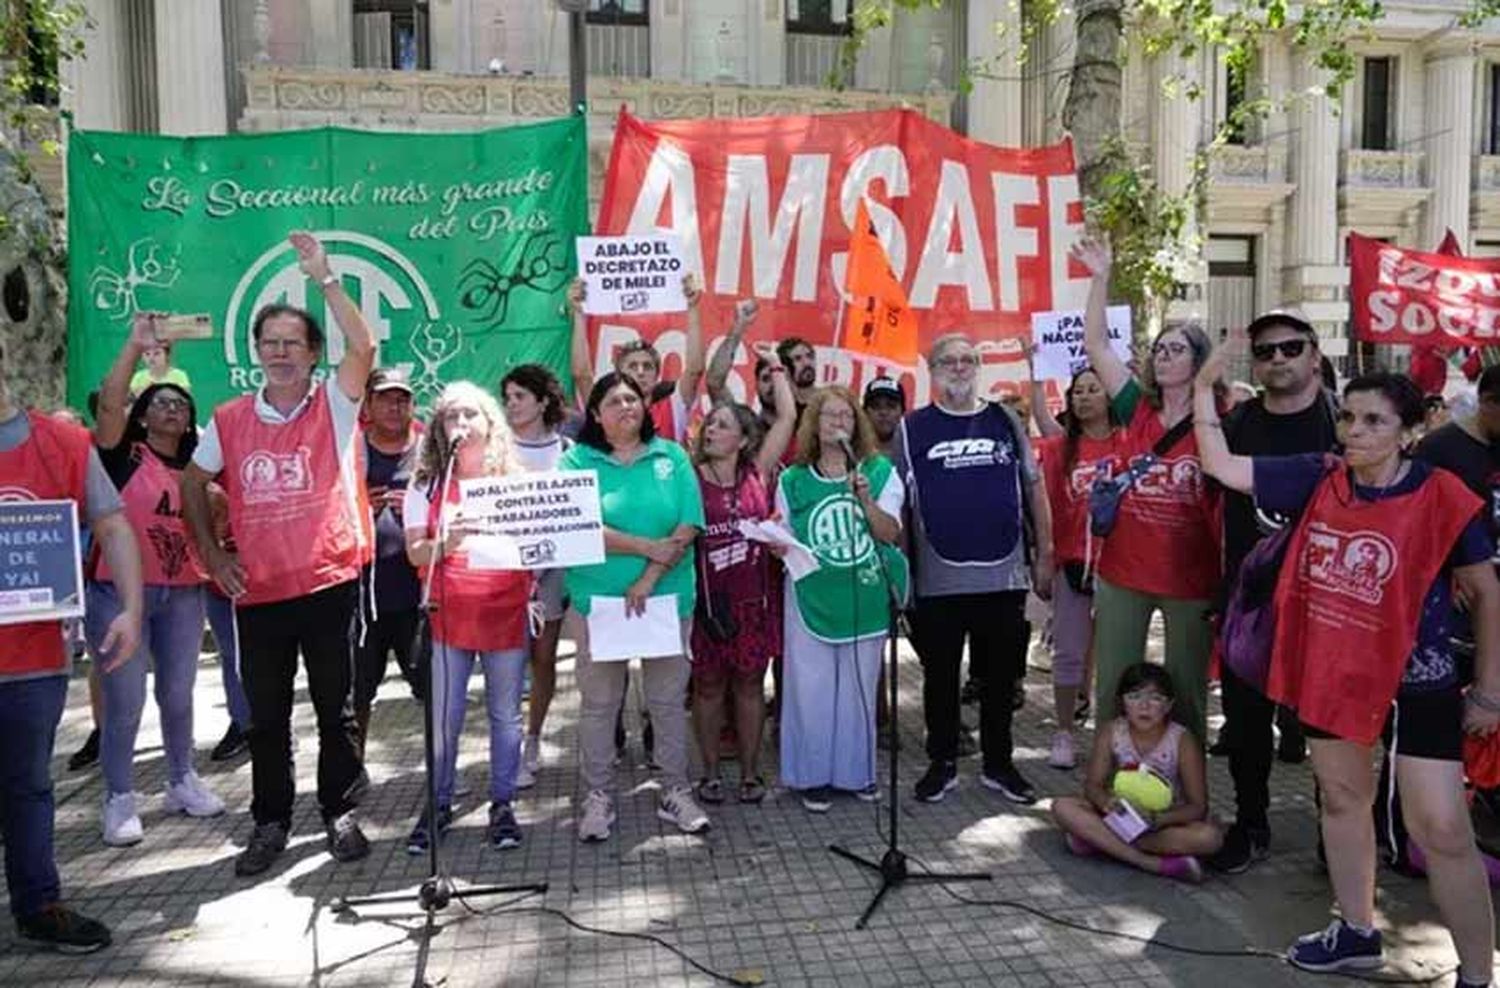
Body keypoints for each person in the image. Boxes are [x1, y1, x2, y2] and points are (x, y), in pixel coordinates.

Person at [1194, 362, 1500, 985]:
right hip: (1333, 672)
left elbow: (1487, 594)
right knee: (1341, 799)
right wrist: (1202, 391)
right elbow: (1223, 468)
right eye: (1348, 418)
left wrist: (1491, 691)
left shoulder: (1443, 495)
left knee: (1440, 827)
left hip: (1422, 679)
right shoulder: (1320, 477)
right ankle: (1356, 933)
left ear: (1409, 432)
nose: (1354, 432)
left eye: (1374, 422)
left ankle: (1475, 975)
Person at [180, 231, 377, 877]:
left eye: (293, 343)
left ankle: (339, 810)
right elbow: (191, 481)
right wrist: (213, 556)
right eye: (270, 344)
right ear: (256, 353)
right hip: (258, 592)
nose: (281, 354)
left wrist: (322, 278)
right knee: (266, 716)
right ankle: (270, 822)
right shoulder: (230, 418)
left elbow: (366, 345)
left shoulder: (337, 404)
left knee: (336, 708)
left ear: (314, 354)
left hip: (328, 583)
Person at [0, 337, 141, 951]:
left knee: (28, 785)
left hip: (32, 659)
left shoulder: (59, 443)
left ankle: (39, 905)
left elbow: (111, 523)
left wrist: (132, 609)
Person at [895, 334, 1051, 805]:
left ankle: (999, 766)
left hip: (1003, 577)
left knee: (1001, 679)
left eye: (968, 359)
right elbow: (899, 505)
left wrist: (1046, 552)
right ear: (932, 368)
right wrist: (903, 577)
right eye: (948, 360)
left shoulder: (1005, 418)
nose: (959, 367)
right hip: (938, 580)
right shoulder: (911, 427)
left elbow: (1034, 488)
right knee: (940, 678)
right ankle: (941, 763)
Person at [1207, 309, 1337, 875]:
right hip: (1252, 602)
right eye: (1265, 351)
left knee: (1327, 729)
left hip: (1330, 604)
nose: (1278, 358)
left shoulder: (1343, 420)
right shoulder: (1238, 425)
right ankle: (1251, 823)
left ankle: (1337, 835)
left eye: (1290, 347)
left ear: (1313, 354)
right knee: (1246, 723)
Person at [1077, 238, 1222, 739]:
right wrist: (1101, 276)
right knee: (1114, 686)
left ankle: (1187, 789)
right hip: (1123, 575)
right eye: (1159, 349)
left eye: (1176, 349)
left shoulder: (1218, 420)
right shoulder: (1135, 406)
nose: (1163, 356)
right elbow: (1096, 345)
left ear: (1197, 361)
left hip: (1191, 580)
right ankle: (1106, 778)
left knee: (1186, 692)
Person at [90, 314, 224, 846]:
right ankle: (119, 796)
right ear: (141, 417)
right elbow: (108, 403)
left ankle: (181, 779)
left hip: (184, 589)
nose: (171, 407)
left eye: (181, 402)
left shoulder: (198, 465)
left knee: (178, 691)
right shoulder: (121, 455)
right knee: (124, 698)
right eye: (159, 402)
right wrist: (134, 346)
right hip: (119, 593)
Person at [559, 373, 710, 842]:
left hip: (666, 599)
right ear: (597, 414)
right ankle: (599, 797)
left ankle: (675, 790)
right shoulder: (575, 461)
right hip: (598, 602)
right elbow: (579, 524)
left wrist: (648, 577)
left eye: (633, 398)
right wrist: (646, 546)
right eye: (614, 400)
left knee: (666, 703)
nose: (626, 405)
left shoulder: (673, 455)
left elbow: (688, 524)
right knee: (600, 706)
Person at [401, 382, 534, 853]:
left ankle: (502, 804)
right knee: (445, 715)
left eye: (470, 415)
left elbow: (541, 546)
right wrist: (447, 542)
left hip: (504, 611)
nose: (460, 424)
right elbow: (417, 554)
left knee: (505, 715)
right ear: (438, 428)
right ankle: (437, 803)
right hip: (448, 614)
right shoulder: (426, 485)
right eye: (450, 416)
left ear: (489, 424)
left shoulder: (516, 483)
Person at [778, 386, 908, 811]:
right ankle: (812, 776)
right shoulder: (792, 479)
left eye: (846, 416)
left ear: (858, 424)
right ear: (814, 424)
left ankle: (857, 773)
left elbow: (889, 532)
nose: (838, 423)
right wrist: (777, 544)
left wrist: (866, 499)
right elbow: (785, 533)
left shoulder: (879, 472)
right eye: (830, 416)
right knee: (810, 689)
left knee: (857, 687)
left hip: (863, 594)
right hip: (810, 593)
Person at [690, 355, 797, 805]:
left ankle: (751, 774)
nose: (710, 430)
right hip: (708, 604)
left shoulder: (758, 471)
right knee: (709, 687)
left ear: (744, 438)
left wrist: (776, 371)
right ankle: (711, 773)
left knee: (751, 686)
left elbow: (789, 416)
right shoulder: (689, 476)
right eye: (708, 425)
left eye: (721, 425)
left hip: (754, 599)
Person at [1030, 365, 1123, 769]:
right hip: (1073, 565)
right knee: (1068, 651)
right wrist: (1036, 377)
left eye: (1093, 389)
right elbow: (1041, 418)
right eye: (1077, 391)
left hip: (1123, 567)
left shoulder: (1129, 442)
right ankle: (1065, 731)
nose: (1084, 397)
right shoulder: (1061, 448)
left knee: (1116, 654)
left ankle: (1113, 735)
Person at [1051, 663, 1222, 882]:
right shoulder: (1112, 731)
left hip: (1161, 822)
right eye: (1134, 696)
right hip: (1119, 816)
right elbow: (1092, 786)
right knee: (1063, 807)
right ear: (1123, 702)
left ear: (1169, 705)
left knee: (1209, 838)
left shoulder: (1182, 740)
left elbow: (1198, 806)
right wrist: (1106, 802)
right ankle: (1151, 863)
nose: (1144, 706)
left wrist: (1158, 819)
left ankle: (1099, 842)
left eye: (1156, 698)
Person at [500, 362, 573, 788]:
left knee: (543, 656)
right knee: (506, 659)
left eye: (520, 397)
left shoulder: (566, 450)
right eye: (507, 398)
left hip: (552, 569)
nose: (511, 405)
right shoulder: (496, 449)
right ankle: (505, 741)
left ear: (543, 401)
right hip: (506, 570)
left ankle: (533, 736)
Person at [355, 367, 424, 763]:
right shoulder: (351, 450)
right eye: (384, 397)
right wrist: (361, 506)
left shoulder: (429, 450)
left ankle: (443, 771)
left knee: (430, 688)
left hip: (416, 595)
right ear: (368, 405)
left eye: (402, 399)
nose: (394, 406)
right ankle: (352, 771)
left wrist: (419, 512)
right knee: (356, 693)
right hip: (362, 597)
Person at [569, 275, 705, 443]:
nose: (640, 372)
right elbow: (582, 375)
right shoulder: (605, 408)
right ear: (618, 374)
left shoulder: (672, 409)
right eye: (633, 366)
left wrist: (692, 308)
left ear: (657, 377)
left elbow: (694, 370)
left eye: (647, 367)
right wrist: (579, 312)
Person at [862, 376, 905, 457]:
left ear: (902, 412)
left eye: (891, 406)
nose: (883, 412)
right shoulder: (851, 453)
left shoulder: (913, 454)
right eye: (876, 406)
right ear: (864, 412)